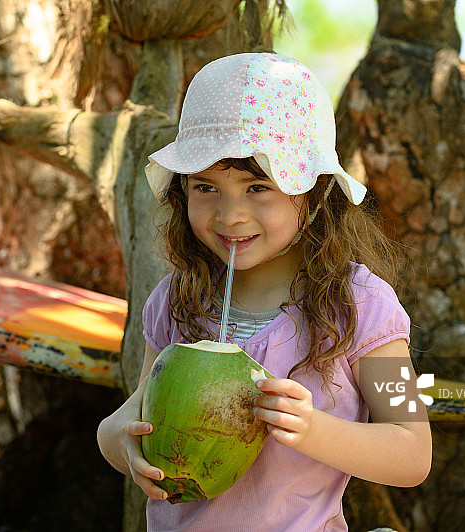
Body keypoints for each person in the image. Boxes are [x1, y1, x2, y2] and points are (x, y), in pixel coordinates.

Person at [97, 52, 431, 531]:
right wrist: (124, 445)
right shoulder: (178, 299)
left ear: (314, 193)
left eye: (257, 187)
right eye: (205, 187)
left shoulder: (361, 304)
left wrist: (311, 429)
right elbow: (127, 419)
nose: (230, 215)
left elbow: (413, 452)